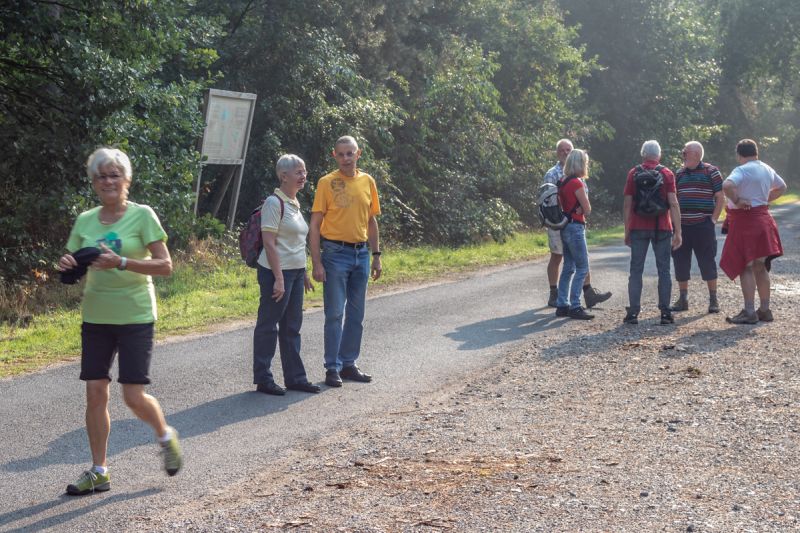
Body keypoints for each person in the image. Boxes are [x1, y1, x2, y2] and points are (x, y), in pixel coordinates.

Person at [57, 147, 182, 496]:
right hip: (96, 316)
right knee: (95, 392)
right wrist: (67, 264)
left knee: (133, 396)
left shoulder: (142, 215)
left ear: (126, 180)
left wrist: (122, 262)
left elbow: (165, 266)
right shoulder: (85, 220)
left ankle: (165, 436)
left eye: (115, 175)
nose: (108, 181)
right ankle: (99, 470)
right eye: (101, 176)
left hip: (135, 315)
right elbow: (74, 262)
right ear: (93, 182)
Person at [309, 136, 382, 387]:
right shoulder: (326, 183)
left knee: (356, 313)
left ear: (358, 154)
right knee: (334, 313)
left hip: (361, 253)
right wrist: (317, 262)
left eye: (350, 153)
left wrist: (376, 255)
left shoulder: (367, 181)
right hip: (335, 253)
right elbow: (315, 225)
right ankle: (332, 367)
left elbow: (371, 221)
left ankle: (349, 363)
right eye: (341, 154)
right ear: (334, 155)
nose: (346, 158)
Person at [253, 154, 320, 395]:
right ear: (283, 176)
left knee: (292, 326)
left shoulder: (294, 202)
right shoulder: (274, 203)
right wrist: (279, 278)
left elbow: (296, 242)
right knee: (269, 325)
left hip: (295, 273)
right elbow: (269, 243)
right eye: (298, 172)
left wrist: (303, 273)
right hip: (275, 273)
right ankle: (264, 378)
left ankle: (296, 379)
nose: (304, 176)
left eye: (304, 171)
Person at [720, 139, 786, 324]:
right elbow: (782, 186)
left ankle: (749, 311)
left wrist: (738, 200)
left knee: (746, 266)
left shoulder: (742, 170)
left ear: (739, 154)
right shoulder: (766, 168)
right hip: (764, 219)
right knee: (760, 266)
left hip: (745, 221)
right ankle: (764, 310)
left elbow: (727, 185)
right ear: (756, 152)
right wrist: (765, 198)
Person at [543, 139, 611, 308]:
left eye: (568, 150)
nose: (565, 153)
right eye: (562, 150)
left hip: (569, 222)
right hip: (561, 222)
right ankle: (565, 298)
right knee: (565, 259)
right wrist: (574, 210)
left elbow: (582, 197)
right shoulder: (555, 174)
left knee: (573, 262)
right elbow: (551, 201)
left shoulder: (573, 178)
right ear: (557, 152)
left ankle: (584, 294)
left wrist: (575, 208)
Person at [623, 140, 682, 325]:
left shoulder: (633, 173)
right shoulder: (667, 173)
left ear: (643, 154)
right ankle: (665, 313)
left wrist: (627, 229)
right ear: (659, 155)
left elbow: (627, 204)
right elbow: (673, 203)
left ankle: (633, 313)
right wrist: (678, 231)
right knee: (664, 270)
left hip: (638, 226)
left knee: (636, 270)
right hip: (661, 227)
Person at [670, 141, 725, 314]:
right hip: (682, 227)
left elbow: (720, 197)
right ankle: (683, 299)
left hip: (703, 225)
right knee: (680, 262)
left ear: (695, 154)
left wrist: (713, 220)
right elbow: (673, 198)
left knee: (707, 261)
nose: (682, 155)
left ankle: (713, 300)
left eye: (685, 152)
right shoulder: (679, 173)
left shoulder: (711, 171)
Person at [554, 149, 595, 320]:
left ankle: (562, 304)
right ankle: (575, 306)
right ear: (580, 163)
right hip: (576, 227)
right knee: (582, 267)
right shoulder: (577, 183)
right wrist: (581, 209)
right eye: (585, 163)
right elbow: (588, 209)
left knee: (568, 267)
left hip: (565, 226)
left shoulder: (562, 182)